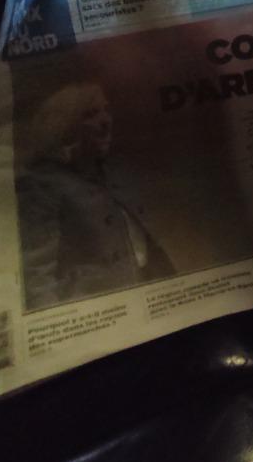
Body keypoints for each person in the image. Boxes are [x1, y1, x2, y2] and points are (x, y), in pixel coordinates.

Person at [15, 81, 175, 310]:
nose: (106, 121)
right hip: (101, 309)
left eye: (106, 111)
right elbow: (36, 278)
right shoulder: (41, 184)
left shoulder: (111, 173)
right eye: (90, 114)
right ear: (64, 127)